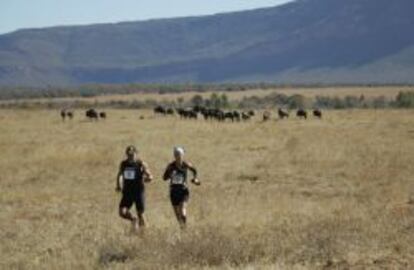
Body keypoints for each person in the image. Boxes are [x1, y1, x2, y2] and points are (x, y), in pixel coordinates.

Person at [116, 145, 153, 231]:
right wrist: (118, 185)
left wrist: (148, 178)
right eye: (129, 154)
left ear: (136, 154)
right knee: (122, 212)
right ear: (126, 154)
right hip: (127, 192)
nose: (131, 156)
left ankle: (144, 232)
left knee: (140, 213)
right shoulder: (123, 164)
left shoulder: (141, 164)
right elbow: (120, 175)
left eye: (133, 154)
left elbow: (150, 176)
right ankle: (133, 219)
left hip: (138, 191)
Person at [163, 146, 200, 229]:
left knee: (182, 211)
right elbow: (164, 178)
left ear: (183, 155)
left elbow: (194, 170)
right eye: (176, 154)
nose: (178, 156)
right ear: (174, 155)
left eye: (180, 154)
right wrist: (170, 175)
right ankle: (182, 227)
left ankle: (184, 223)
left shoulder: (186, 164)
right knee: (177, 214)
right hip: (174, 192)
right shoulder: (171, 166)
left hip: (183, 191)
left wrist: (195, 178)